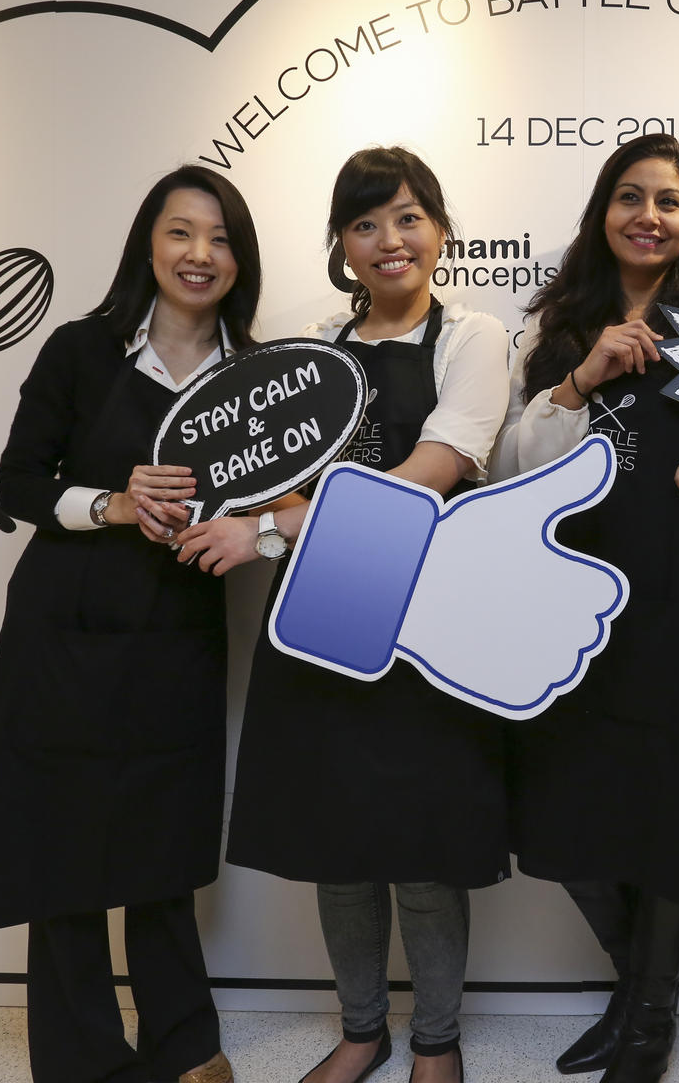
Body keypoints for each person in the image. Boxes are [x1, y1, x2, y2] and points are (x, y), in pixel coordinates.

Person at [176, 146, 510, 1083]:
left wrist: (271, 529)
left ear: (440, 231)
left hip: (429, 616)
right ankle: (362, 1029)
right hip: (322, 612)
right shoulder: (313, 352)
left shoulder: (475, 338)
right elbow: (265, 470)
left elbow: (432, 473)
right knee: (342, 841)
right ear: (342, 245)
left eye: (408, 217)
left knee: (427, 847)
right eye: (365, 223)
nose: (388, 240)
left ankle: (436, 1041)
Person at [0, 164, 262, 1083]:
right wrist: (114, 504)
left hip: (177, 630)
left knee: (161, 843)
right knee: (61, 849)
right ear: (147, 243)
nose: (199, 254)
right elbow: (16, 485)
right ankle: (83, 1057)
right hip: (65, 625)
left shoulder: (257, 379)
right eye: (180, 233)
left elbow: (287, 501)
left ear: (240, 261)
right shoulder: (81, 350)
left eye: (219, 239)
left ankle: (184, 1047)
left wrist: (257, 532)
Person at [494, 132, 679, 1083]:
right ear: (602, 212)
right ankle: (637, 991)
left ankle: (645, 1024)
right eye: (632, 197)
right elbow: (509, 472)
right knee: (562, 809)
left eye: (671, 201)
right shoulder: (552, 328)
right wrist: (581, 379)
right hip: (566, 602)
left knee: (676, 807)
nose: (650, 216)